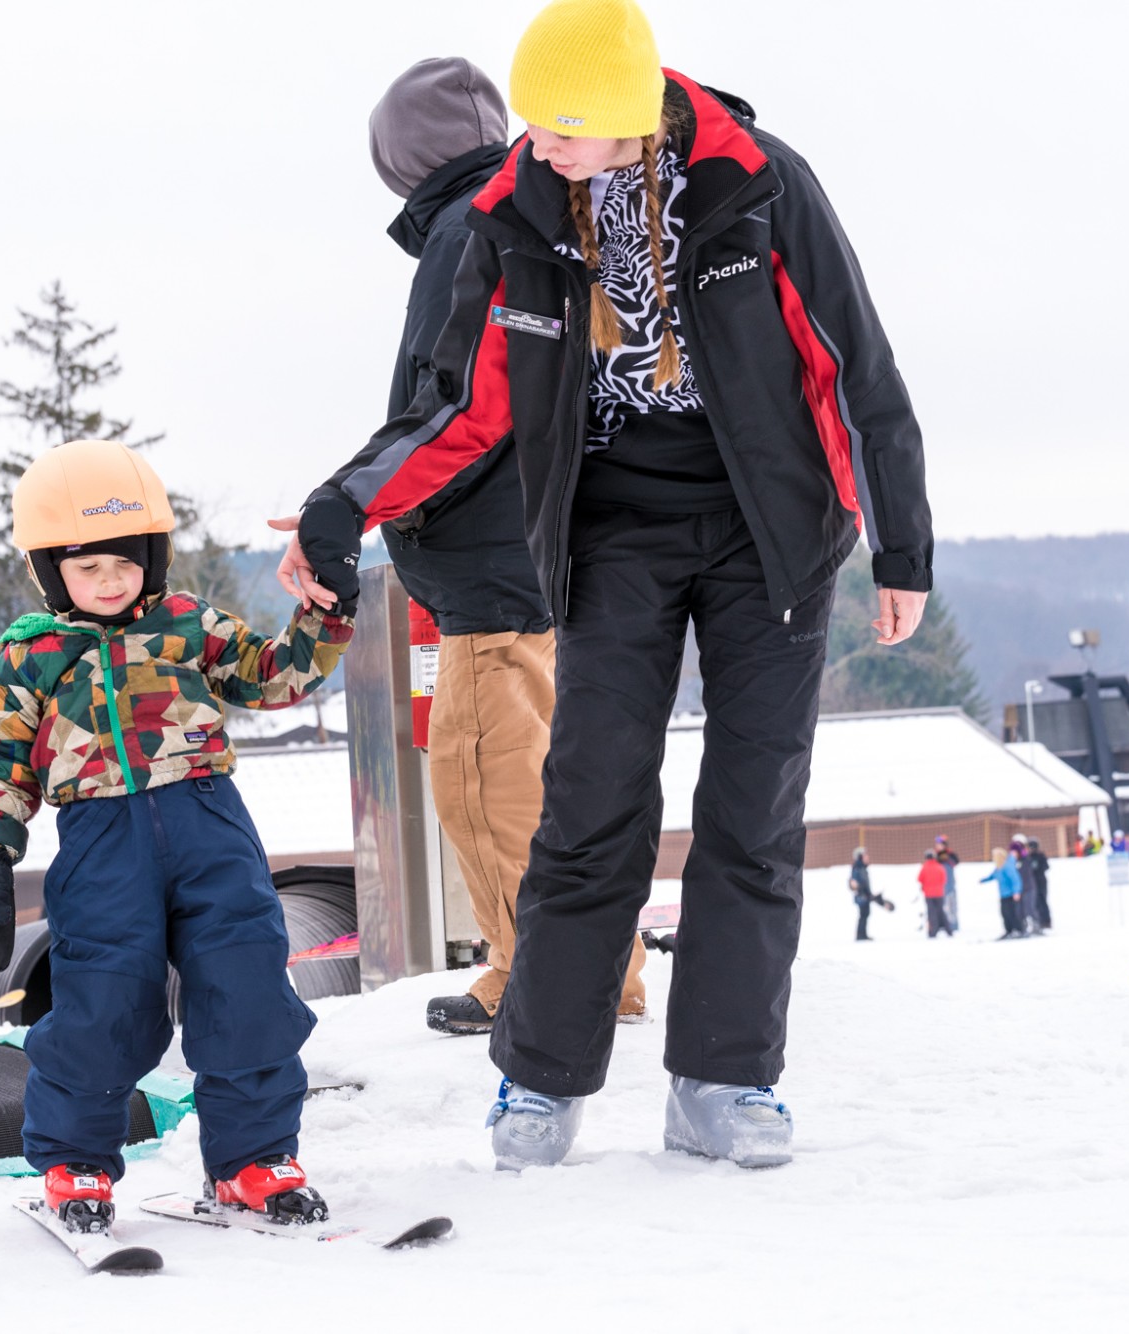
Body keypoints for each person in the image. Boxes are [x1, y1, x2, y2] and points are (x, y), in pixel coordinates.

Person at [276, 0, 932, 1171]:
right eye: (532, 120)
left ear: (629, 116)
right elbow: (466, 405)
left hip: (767, 531)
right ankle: (539, 1081)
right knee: (590, 801)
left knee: (752, 804)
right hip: (614, 528)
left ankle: (725, 1080)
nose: (540, 142)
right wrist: (342, 504)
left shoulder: (760, 185)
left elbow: (852, 364)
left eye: (566, 125)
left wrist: (902, 547)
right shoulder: (515, 209)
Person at [0, 440, 353, 1234]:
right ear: (51, 571)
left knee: (245, 983)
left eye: (126, 563)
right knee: (102, 1000)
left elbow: (277, 673)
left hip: (208, 822)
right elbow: (0, 760)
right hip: (102, 844)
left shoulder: (186, 624)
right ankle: (76, 1162)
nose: (110, 582)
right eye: (87, 568)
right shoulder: (31, 654)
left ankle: (251, 1159)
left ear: (154, 556)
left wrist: (326, 610)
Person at [367, 57, 647, 1036]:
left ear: (400, 156)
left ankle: (541, 975)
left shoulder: (465, 229)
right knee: (562, 775)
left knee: (485, 776)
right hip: (560, 554)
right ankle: (593, 972)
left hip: (495, 561)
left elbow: (447, 405)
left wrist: (362, 497)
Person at [982, 847, 1023, 939]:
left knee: (1012, 913)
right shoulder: (999, 867)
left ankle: (1018, 930)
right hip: (1003, 895)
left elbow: (1015, 880)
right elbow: (993, 876)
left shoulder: (1007, 866)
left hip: (1010, 895)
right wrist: (984, 880)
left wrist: (1016, 892)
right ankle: (1009, 930)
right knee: (1004, 913)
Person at [1022, 836, 1052, 933]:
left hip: (1041, 882)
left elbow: (1046, 867)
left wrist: (1037, 869)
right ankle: (1039, 921)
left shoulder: (1040, 856)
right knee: (1035, 903)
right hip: (1033, 883)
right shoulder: (1028, 857)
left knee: (1042, 901)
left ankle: (1046, 921)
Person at [917, 853, 950, 938]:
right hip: (939, 893)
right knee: (941, 911)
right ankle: (948, 930)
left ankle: (933, 932)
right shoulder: (939, 866)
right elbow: (944, 879)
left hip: (929, 894)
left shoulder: (925, 867)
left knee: (932, 913)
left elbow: (919, 879)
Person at [934, 836, 961, 933]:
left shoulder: (950, 854)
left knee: (952, 905)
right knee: (941, 906)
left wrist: (947, 857)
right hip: (939, 886)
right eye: (937, 845)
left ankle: (953, 925)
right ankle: (942, 924)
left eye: (940, 845)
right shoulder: (935, 856)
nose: (938, 846)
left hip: (950, 884)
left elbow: (956, 862)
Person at [848, 848, 874, 942]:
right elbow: (854, 883)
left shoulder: (862, 868)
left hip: (865, 895)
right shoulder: (857, 868)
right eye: (865, 855)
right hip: (861, 896)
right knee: (863, 914)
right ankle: (860, 935)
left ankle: (863, 934)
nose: (867, 857)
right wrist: (861, 892)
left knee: (865, 914)